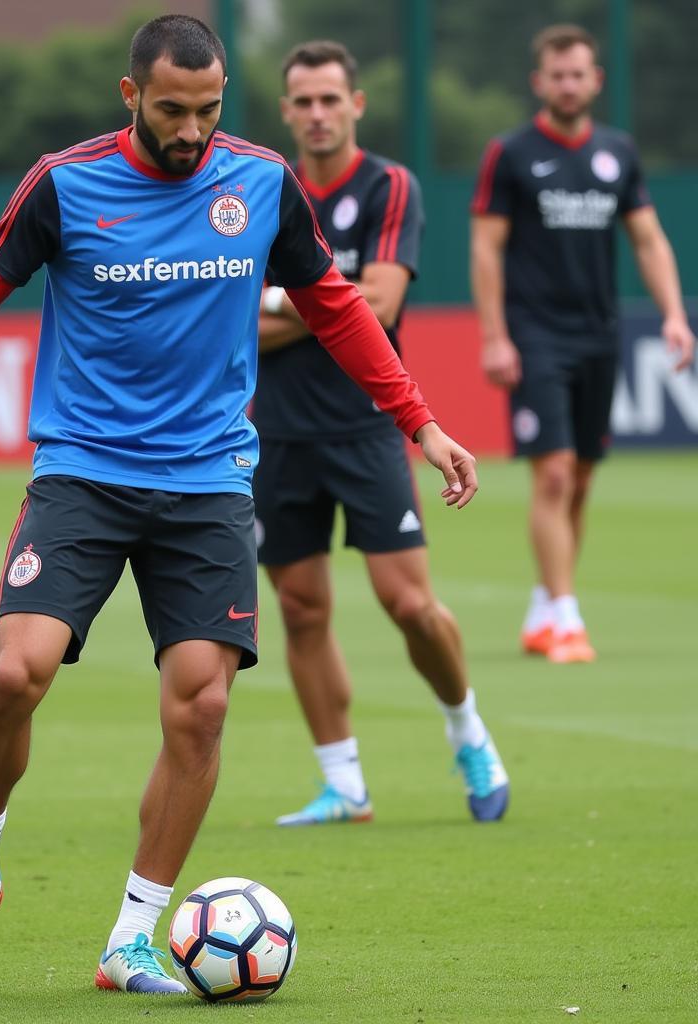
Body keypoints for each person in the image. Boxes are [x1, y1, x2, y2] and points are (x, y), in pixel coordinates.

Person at [0, 14, 478, 997]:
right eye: (170, 111)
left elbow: (333, 303)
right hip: (81, 472)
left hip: (205, 482)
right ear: (131, 98)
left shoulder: (258, 181)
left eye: (207, 110)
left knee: (199, 703)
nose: (192, 130)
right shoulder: (63, 183)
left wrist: (421, 423)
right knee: (17, 673)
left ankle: (132, 939)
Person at [253, 41, 508, 827]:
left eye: (332, 99)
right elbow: (229, 327)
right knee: (300, 609)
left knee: (410, 605)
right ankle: (345, 784)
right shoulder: (259, 190)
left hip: (367, 429)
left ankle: (467, 728)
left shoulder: (390, 186)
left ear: (356, 104)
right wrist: (331, 304)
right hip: (276, 434)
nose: (319, 114)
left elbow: (385, 306)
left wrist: (276, 302)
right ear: (287, 110)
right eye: (304, 101)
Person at [470, 24, 694, 663]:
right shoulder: (510, 153)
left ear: (596, 81)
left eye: (579, 74)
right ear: (540, 83)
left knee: (583, 480)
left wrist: (673, 315)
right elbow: (486, 248)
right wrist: (494, 336)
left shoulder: (618, 153)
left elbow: (648, 239)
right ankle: (567, 618)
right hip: (535, 336)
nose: (568, 85)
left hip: (599, 335)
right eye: (557, 75)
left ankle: (545, 607)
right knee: (555, 474)